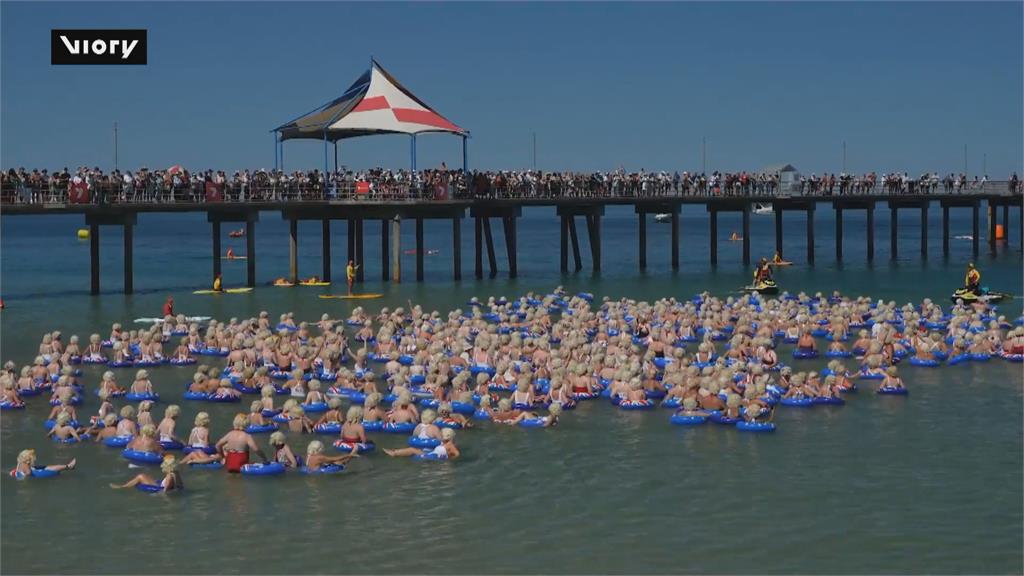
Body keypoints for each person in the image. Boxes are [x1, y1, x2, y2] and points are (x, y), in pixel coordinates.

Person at [110, 454, 182, 493]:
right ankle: (125, 486)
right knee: (144, 475)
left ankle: (122, 487)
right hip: (160, 485)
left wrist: (156, 495)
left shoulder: (169, 475)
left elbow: (165, 491)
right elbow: (180, 486)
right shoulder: (176, 473)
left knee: (140, 476)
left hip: (159, 487)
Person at [9, 449, 75, 479]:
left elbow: (19, 470)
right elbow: (28, 473)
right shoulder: (26, 465)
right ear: (28, 459)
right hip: (31, 474)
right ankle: (69, 466)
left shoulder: (20, 460)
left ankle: (67, 466)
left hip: (20, 473)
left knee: (46, 467)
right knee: (53, 469)